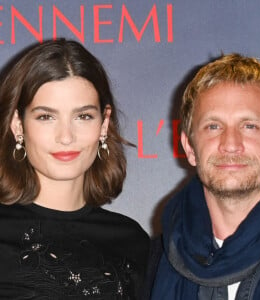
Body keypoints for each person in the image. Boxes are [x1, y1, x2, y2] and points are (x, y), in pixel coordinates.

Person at [0, 38, 149, 299]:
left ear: (104, 124)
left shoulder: (132, 241)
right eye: (46, 117)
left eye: (83, 116)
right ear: (18, 125)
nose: (66, 136)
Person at [149, 53, 260, 299]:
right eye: (213, 126)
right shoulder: (154, 262)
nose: (230, 144)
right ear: (189, 148)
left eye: (249, 126)